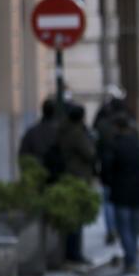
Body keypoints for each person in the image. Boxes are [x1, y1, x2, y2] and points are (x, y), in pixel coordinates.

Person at [100, 114, 139, 274]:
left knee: (124, 228)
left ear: (117, 128)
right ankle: (132, 259)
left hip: (121, 191)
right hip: (136, 191)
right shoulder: (136, 144)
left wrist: (108, 182)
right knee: (133, 228)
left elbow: (107, 169)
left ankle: (130, 259)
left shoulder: (114, 146)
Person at [57, 105, 98, 264]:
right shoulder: (77, 133)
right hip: (78, 176)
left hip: (68, 175)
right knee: (77, 218)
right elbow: (90, 153)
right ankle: (74, 253)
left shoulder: (63, 130)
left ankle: (72, 252)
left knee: (73, 217)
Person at [93, 86, 129, 244]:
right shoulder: (123, 122)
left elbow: (94, 142)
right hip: (118, 167)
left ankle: (111, 230)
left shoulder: (101, 123)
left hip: (106, 167)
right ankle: (119, 229)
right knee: (118, 200)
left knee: (108, 200)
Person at [18, 98, 64, 181]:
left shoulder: (32, 132)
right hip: (55, 176)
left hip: (38, 174)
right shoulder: (60, 132)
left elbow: (23, 155)